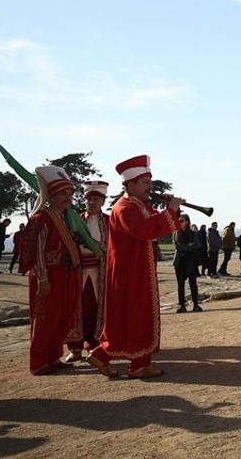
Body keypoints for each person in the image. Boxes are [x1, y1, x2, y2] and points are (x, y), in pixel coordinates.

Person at [86, 155, 182, 380]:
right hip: (129, 273)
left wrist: (168, 209)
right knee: (134, 315)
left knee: (132, 316)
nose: (150, 187)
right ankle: (134, 363)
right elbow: (145, 230)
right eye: (145, 183)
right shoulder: (125, 208)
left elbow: (151, 224)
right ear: (130, 184)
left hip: (137, 269)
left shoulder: (137, 205)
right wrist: (170, 212)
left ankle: (109, 356)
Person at [20, 166, 82, 375]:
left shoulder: (64, 217)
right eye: (61, 194)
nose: (67, 197)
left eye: (69, 193)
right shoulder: (41, 218)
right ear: (51, 196)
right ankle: (38, 362)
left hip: (66, 273)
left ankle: (53, 356)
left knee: (62, 317)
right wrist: (43, 279)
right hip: (49, 275)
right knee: (45, 318)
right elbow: (37, 250)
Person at [66, 179, 109, 362]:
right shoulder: (74, 220)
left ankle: (96, 346)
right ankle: (75, 348)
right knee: (76, 309)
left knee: (98, 309)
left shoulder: (109, 221)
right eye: (88, 200)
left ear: (103, 202)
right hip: (78, 270)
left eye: (96, 200)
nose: (91, 203)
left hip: (101, 272)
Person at [173, 215, 202, 313]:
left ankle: (196, 305)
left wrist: (185, 246)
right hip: (179, 261)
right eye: (179, 220)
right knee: (180, 284)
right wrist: (188, 246)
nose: (180, 222)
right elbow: (177, 246)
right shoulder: (176, 233)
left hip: (191, 260)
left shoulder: (193, 233)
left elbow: (196, 245)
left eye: (182, 220)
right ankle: (182, 305)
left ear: (187, 221)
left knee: (193, 284)